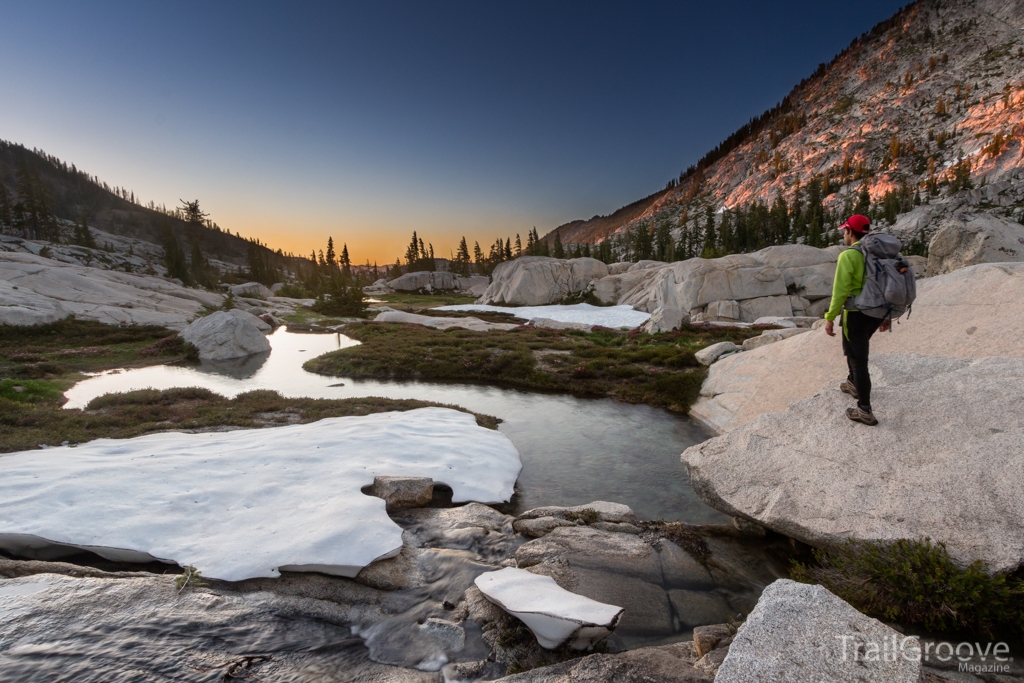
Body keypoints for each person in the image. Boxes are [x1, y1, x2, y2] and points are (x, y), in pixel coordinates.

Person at [823, 215, 890, 426]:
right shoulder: (879, 252)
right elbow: (888, 284)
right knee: (852, 349)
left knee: (858, 359)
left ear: (851, 232)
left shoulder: (848, 256)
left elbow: (840, 291)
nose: (844, 234)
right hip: (876, 312)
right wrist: (887, 315)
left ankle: (864, 410)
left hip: (856, 314)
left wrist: (830, 317)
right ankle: (852, 383)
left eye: (845, 231)